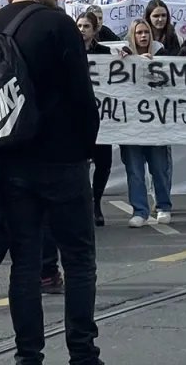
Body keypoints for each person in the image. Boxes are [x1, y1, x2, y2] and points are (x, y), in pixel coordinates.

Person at [0, 0, 100, 365]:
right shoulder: (57, 24)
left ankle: (27, 356)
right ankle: (83, 354)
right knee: (79, 259)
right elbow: (82, 98)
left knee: (25, 265)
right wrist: (85, 149)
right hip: (62, 160)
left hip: (11, 162)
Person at [117, 19, 173, 227]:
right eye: (139, 32)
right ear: (132, 35)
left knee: (159, 168)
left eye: (146, 32)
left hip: (156, 125)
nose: (143, 36)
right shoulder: (123, 55)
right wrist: (130, 60)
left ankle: (164, 206)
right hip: (131, 126)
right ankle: (139, 210)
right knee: (135, 170)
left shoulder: (163, 55)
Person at [76, 14, 113, 225]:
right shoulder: (70, 51)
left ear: (95, 29)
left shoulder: (105, 53)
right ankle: (83, 205)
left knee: (103, 164)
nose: (82, 30)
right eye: (79, 26)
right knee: (81, 164)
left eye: (86, 26)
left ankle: (96, 201)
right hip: (78, 120)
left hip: (103, 119)